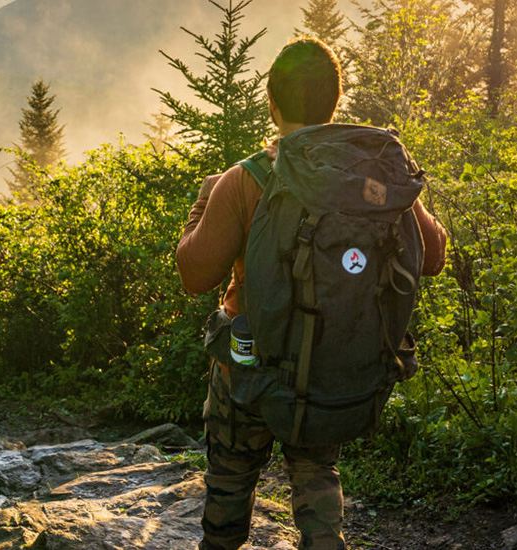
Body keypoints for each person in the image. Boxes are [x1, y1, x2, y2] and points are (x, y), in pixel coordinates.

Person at [175, 37, 448, 550]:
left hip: (246, 372)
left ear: (272, 104)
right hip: (329, 367)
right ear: (335, 103)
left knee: (230, 481)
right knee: (318, 481)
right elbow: (433, 256)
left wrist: (203, 199)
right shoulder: (372, 180)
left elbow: (195, 274)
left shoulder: (246, 179)